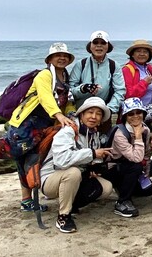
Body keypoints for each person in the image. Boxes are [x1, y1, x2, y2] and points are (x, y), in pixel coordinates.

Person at [0, 42, 76, 212]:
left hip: (44, 125)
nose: (62, 58)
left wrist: (70, 114)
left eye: (65, 55)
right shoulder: (44, 75)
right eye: (58, 55)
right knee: (13, 150)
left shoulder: (65, 77)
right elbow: (45, 97)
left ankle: (26, 201)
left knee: (27, 160)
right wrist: (59, 115)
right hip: (27, 122)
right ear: (49, 59)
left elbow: (68, 101)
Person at [40, 97, 114, 233]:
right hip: (50, 177)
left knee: (106, 187)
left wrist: (94, 166)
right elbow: (61, 160)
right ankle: (63, 216)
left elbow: (88, 157)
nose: (94, 117)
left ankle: (72, 204)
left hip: (75, 174)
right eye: (90, 112)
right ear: (81, 114)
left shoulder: (94, 134)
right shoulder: (68, 130)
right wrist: (92, 153)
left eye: (98, 114)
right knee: (73, 173)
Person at [104, 97, 152, 218]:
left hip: (130, 166)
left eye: (139, 112)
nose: (135, 116)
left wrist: (147, 174)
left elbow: (146, 155)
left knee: (148, 189)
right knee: (135, 166)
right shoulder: (119, 133)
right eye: (131, 114)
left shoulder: (145, 130)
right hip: (112, 168)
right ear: (125, 116)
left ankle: (125, 189)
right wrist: (138, 136)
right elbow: (136, 158)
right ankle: (122, 201)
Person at [69, 31, 125, 131]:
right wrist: (83, 88)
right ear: (90, 46)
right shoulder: (81, 64)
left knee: (102, 139)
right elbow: (70, 91)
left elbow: (120, 90)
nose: (99, 46)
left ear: (108, 46)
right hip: (81, 114)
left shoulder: (114, 65)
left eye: (103, 43)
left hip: (102, 116)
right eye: (95, 42)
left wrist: (108, 110)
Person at [122, 40, 152, 125]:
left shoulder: (148, 68)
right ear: (132, 54)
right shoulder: (127, 69)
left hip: (148, 112)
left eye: (145, 52)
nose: (142, 54)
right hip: (135, 114)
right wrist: (144, 82)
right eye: (138, 51)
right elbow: (129, 94)